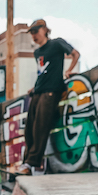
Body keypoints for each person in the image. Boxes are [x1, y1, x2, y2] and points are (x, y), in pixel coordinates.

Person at [17, 19, 80, 176]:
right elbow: (42, 72)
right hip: (38, 91)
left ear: (44, 29)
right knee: (29, 128)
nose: (33, 35)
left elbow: (75, 54)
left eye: (35, 31)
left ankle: (31, 164)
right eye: (31, 32)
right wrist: (35, 87)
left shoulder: (57, 44)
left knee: (41, 127)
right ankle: (26, 163)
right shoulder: (37, 52)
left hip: (52, 91)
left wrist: (69, 70)